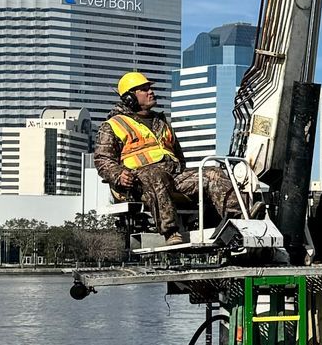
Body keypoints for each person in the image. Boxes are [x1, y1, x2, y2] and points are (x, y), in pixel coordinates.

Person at [92, 71, 235, 238]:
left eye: (150, 88)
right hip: (138, 182)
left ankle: (237, 222)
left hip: (173, 176)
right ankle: (171, 232)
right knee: (156, 174)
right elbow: (102, 160)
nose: (151, 92)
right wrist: (118, 175)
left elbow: (179, 156)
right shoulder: (113, 125)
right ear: (129, 98)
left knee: (213, 173)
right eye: (144, 89)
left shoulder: (162, 122)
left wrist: (177, 169)